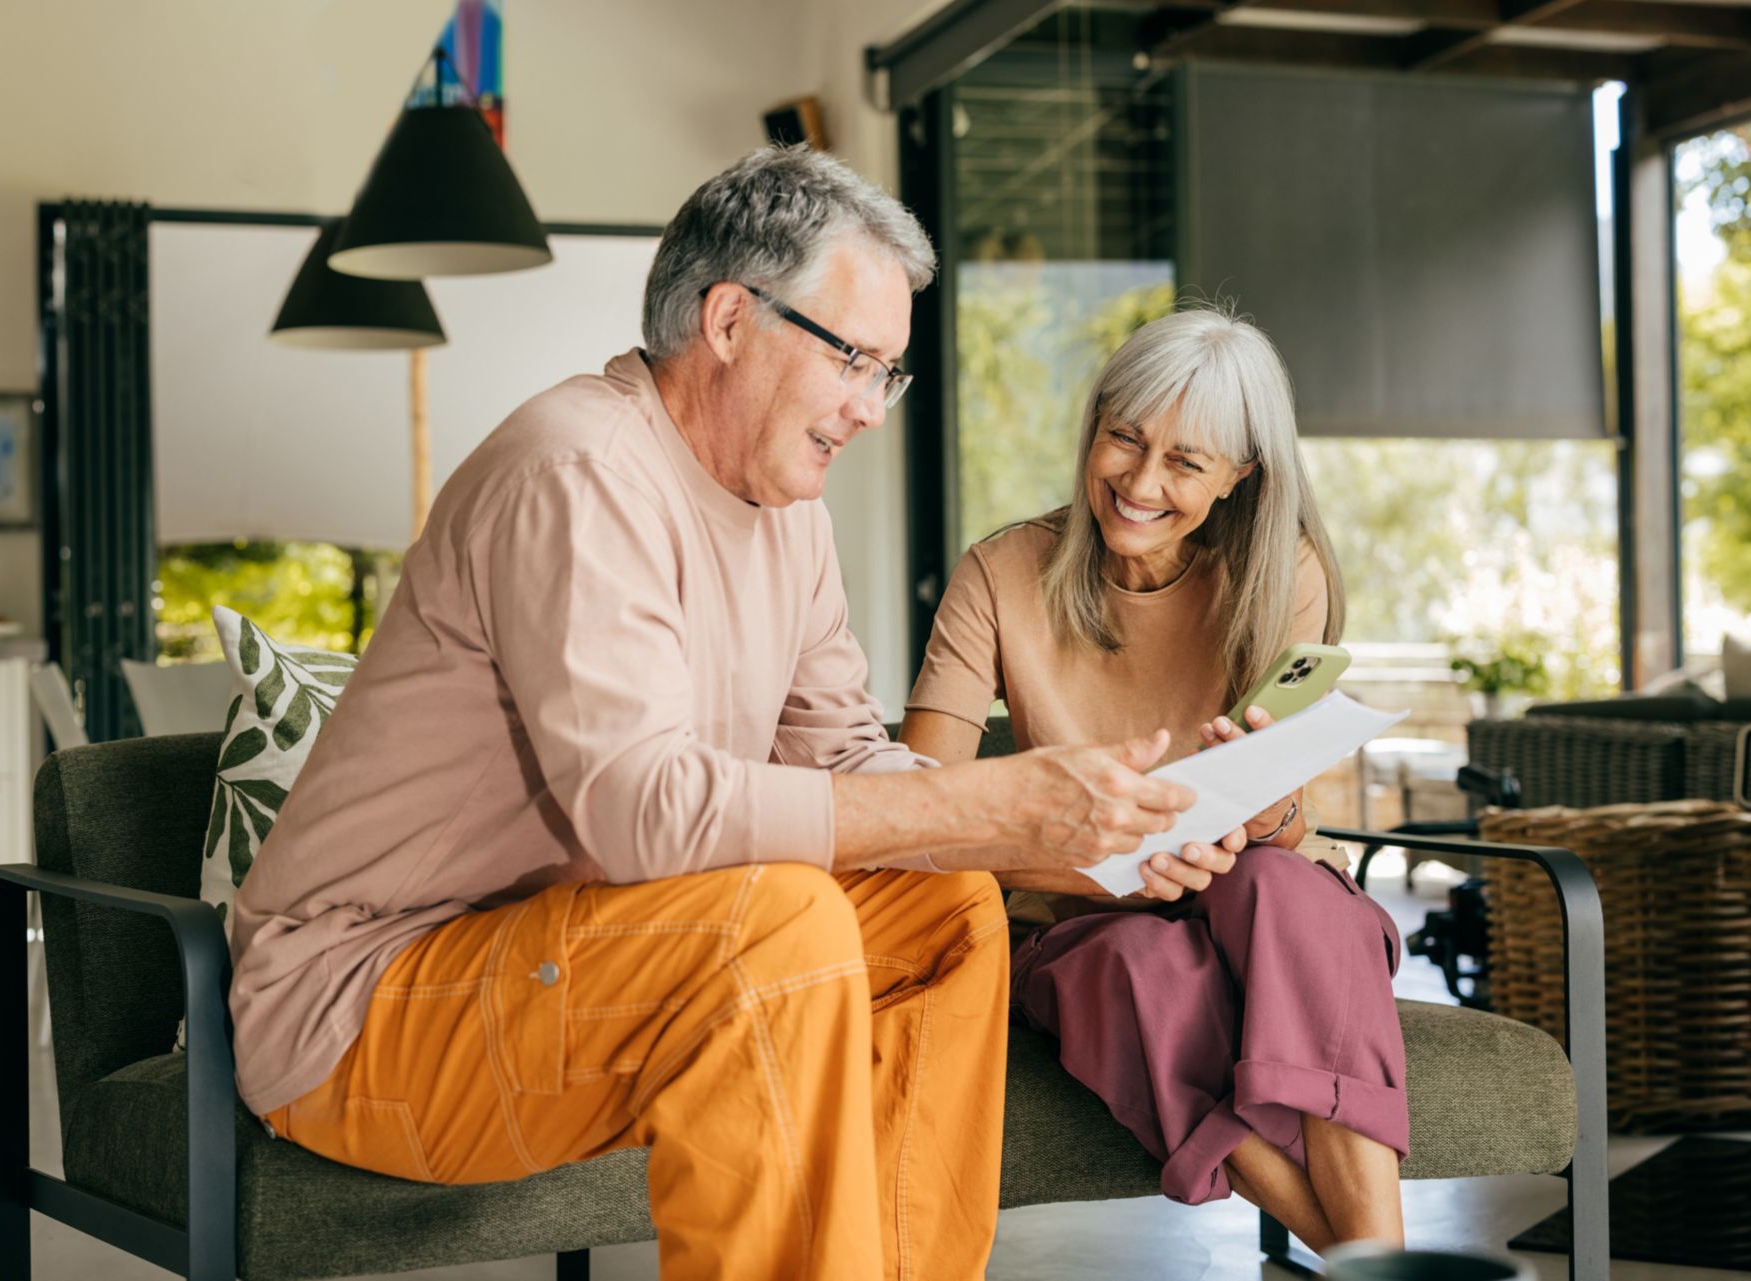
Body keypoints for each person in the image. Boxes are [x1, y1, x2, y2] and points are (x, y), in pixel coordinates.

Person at [229, 146, 1227, 1281]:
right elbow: (641, 815)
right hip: (365, 1005)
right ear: (728, 320)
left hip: (578, 954)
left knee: (945, 908)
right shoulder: (579, 475)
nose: (869, 409)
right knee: (776, 929)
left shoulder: (783, 507)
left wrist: (1087, 840)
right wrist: (990, 800)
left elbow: (846, 755)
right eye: (855, 359)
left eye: (887, 374)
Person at [901, 306, 1410, 1252]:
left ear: (1241, 472)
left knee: (1287, 895)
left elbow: (1282, 836)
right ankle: (1379, 1267)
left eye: (1185, 462)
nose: (1139, 483)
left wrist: (1266, 802)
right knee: (1139, 968)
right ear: (1095, 427)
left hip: (1250, 894)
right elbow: (917, 813)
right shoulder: (1000, 575)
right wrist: (1068, 858)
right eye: (1125, 439)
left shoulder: (1284, 573)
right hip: (1077, 914)